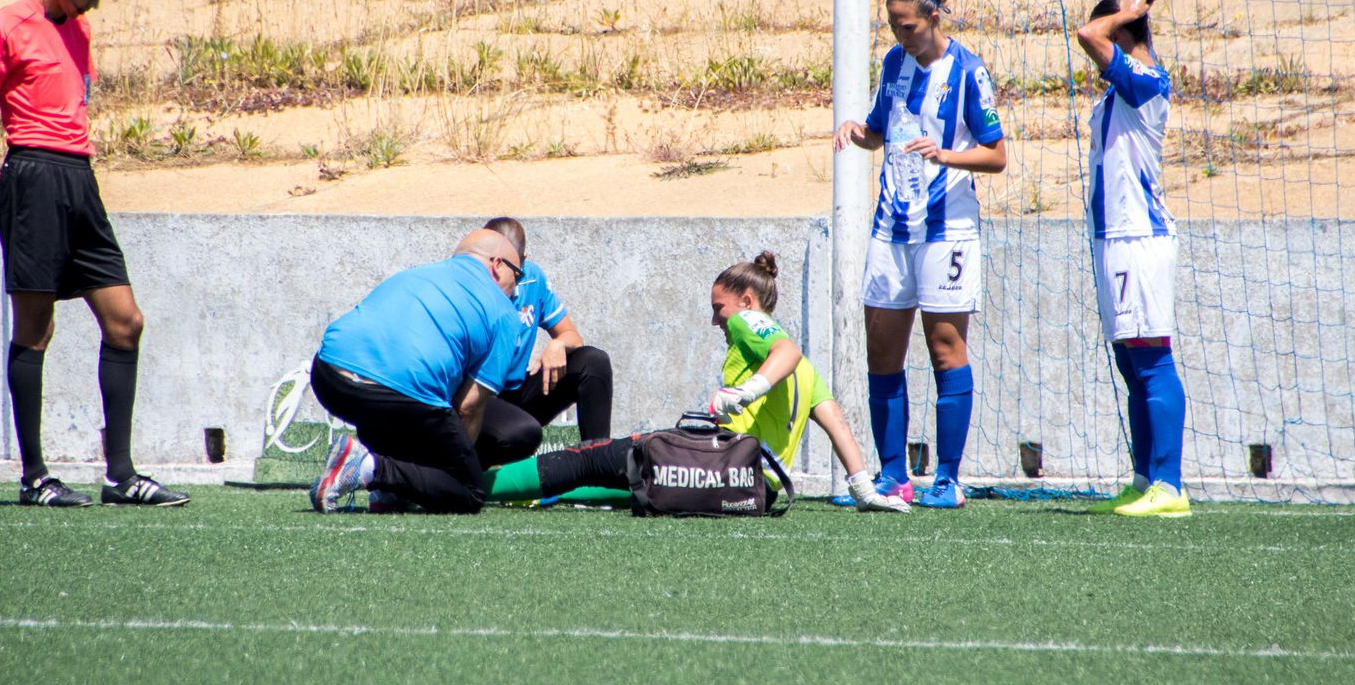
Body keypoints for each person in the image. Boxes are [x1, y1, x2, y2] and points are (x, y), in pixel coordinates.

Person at [0, 0, 188, 509]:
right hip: (32, 178)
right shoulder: (4, 26)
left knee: (125, 322)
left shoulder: (78, 29)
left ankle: (120, 476)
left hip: (80, 178)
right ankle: (35, 476)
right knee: (35, 330)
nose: (91, 7)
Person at [478, 252, 909, 513]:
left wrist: (745, 392)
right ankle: (519, 490)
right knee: (627, 479)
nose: (715, 319)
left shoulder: (750, 322)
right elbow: (835, 419)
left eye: (718, 307)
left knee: (588, 458)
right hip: (757, 492)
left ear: (745, 301)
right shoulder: (808, 373)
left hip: (722, 468)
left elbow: (786, 350)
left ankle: (469, 487)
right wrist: (862, 487)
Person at [831, 0, 1007, 509]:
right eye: (892, 26)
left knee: (945, 349)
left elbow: (996, 154)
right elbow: (883, 129)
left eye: (907, 25)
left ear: (934, 17)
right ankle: (893, 476)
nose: (899, 35)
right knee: (882, 354)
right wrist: (858, 133)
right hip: (891, 227)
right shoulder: (893, 64)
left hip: (948, 230)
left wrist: (945, 154)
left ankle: (948, 479)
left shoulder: (969, 73)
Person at [1074, 0, 1198, 519]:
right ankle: (1145, 477)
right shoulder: (1122, 88)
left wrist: (1135, 4)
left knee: (1151, 357)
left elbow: (1086, 33)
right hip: (1112, 238)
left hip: (1139, 238)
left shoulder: (1146, 81)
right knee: (1130, 361)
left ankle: (1170, 487)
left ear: (1123, 34)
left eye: (1111, 32)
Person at [309, 228, 524, 514]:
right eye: (517, 276)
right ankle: (368, 468)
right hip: (392, 393)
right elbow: (469, 408)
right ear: (497, 264)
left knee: (400, 406)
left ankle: (389, 489)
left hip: (327, 376)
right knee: (469, 493)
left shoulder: (416, 273)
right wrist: (443, 471)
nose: (517, 288)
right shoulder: (504, 313)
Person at [471, 216, 613, 467]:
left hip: (515, 392)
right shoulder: (469, 285)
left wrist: (557, 345)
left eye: (517, 268)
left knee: (593, 361)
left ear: (523, 259)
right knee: (522, 432)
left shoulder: (532, 278)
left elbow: (571, 336)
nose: (509, 276)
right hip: (475, 397)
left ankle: (599, 466)